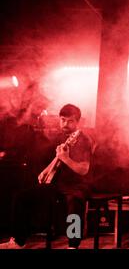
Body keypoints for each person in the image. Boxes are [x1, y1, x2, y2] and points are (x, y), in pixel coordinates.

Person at [0, 104, 92, 249]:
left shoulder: (83, 140)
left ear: (78, 122)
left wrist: (66, 158)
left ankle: (73, 246)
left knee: (74, 202)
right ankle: (18, 241)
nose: (65, 124)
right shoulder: (60, 137)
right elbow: (58, 159)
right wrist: (45, 170)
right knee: (21, 197)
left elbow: (84, 170)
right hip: (57, 184)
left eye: (70, 121)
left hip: (76, 185)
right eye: (63, 120)